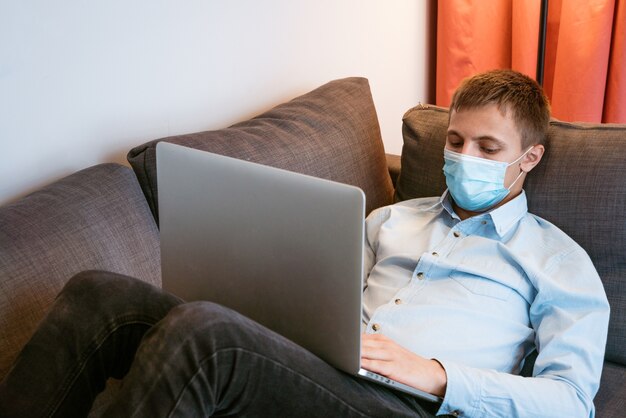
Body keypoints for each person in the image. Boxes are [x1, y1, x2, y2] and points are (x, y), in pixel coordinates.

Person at [0, 70, 609, 418]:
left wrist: (440, 376)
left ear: (530, 157)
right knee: (99, 294)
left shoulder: (557, 261)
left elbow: (572, 401)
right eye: (454, 141)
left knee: (205, 335)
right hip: (324, 370)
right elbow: (321, 299)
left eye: (487, 148)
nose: (461, 158)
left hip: (410, 408)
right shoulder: (390, 218)